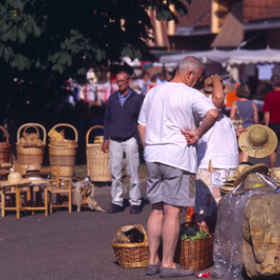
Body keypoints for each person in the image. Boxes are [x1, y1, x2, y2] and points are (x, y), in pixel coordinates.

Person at [137, 56, 218, 278]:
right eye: (198, 77)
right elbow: (213, 113)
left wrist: (150, 148)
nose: (197, 82)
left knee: (156, 209)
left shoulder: (153, 91)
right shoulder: (190, 93)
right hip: (178, 157)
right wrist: (198, 133)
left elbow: (141, 125)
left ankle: (152, 261)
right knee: (173, 213)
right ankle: (168, 264)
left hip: (154, 156)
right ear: (190, 74)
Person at [187, 75, 239, 220]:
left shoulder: (222, 115)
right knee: (205, 212)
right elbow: (217, 99)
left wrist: (235, 134)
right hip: (213, 168)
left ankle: (211, 240)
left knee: (221, 211)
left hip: (223, 167)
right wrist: (217, 81)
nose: (222, 96)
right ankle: (202, 240)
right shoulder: (207, 106)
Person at [102, 70, 144, 214]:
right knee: (115, 173)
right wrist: (105, 139)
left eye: (122, 81)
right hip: (114, 139)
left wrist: (137, 138)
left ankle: (135, 201)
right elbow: (107, 119)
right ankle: (117, 201)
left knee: (133, 171)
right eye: (117, 81)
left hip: (130, 139)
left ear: (129, 81)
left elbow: (142, 119)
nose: (119, 84)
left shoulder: (137, 99)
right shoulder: (112, 98)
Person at [230, 84, 259, 162]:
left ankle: (240, 168)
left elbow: (231, 117)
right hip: (249, 128)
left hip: (238, 129)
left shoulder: (235, 103)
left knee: (240, 149)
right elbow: (256, 118)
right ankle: (244, 165)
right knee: (246, 149)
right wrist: (256, 126)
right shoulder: (252, 103)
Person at [262, 75, 280, 168]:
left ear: (273, 85)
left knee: (273, 149)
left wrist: (266, 126)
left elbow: (266, 113)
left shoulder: (269, 96)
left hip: (273, 125)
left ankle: (272, 170)